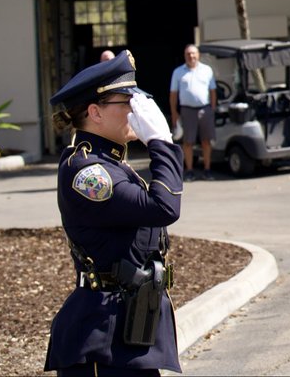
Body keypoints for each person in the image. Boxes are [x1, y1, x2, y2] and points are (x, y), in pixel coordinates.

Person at [45, 51, 183, 375]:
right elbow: (164, 206)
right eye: (127, 102)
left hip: (129, 329)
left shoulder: (112, 164)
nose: (135, 111)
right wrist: (161, 142)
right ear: (95, 112)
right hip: (102, 336)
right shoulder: (88, 172)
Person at [169, 43, 217, 181]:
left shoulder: (207, 70)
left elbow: (213, 91)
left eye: (193, 53)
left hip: (205, 109)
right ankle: (189, 170)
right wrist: (174, 113)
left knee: (206, 141)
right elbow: (173, 94)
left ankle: (207, 169)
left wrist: (212, 109)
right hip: (187, 110)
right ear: (185, 56)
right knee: (188, 142)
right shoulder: (178, 72)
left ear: (198, 55)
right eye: (188, 54)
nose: (191, 56)